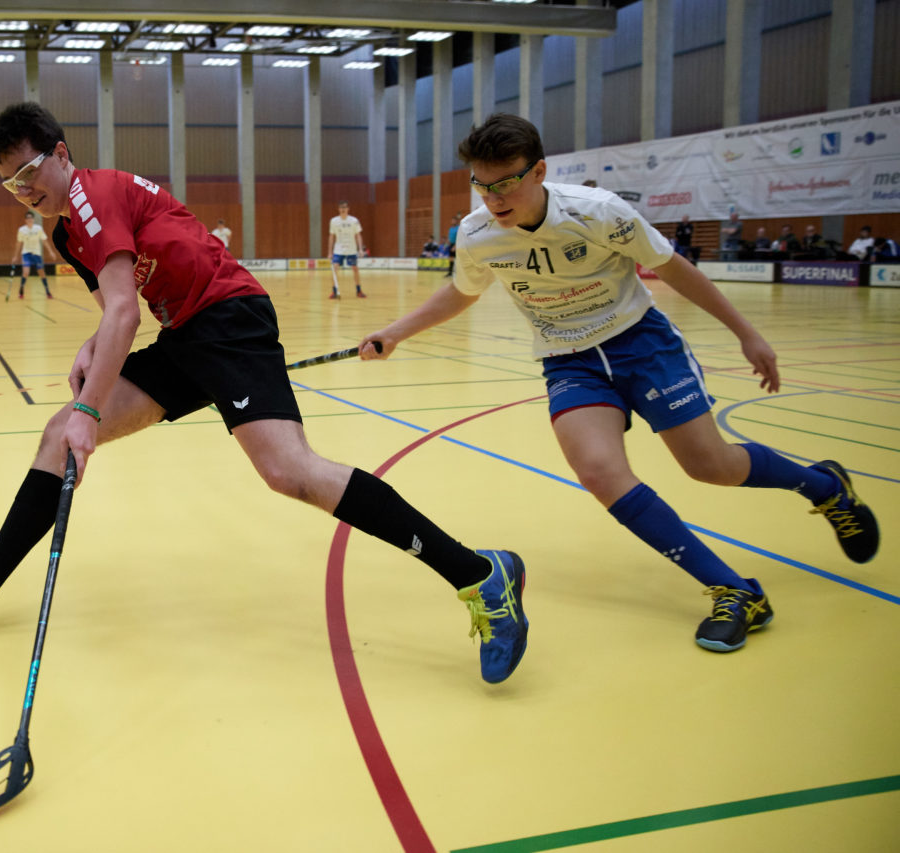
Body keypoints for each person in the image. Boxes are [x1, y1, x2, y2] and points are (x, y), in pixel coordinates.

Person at [0, 101, 529, 685]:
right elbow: (113, 311)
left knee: (289, 471)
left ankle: (480, 576)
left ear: (61, 155)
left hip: (228, 319)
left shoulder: (92, 198)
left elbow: (125, 315)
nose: (25, 190)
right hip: (186, 333)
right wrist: (92, 351)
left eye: (31, 171)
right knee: (55, 434)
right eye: (12, 183)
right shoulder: (67, 231)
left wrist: (91, 409)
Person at [358, 113, 879, 654]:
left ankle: (824, 488)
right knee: (600, 472)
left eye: (507, 181)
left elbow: (674, 269)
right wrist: (396, 333)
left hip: (643, 345)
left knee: (710, 466)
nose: (494, 197)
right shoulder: (476, 234)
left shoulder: (599, 212)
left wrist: (747, 333)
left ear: (538, 171)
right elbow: (463, 292)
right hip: (569, 360)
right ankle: (735, 592)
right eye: (482, 185)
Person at [328, 201, 366, 298]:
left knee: (355, 269)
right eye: (341, 207)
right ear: (338, 209)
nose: (343, 209)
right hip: (338, 249)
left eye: (345, 207)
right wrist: (330, 252)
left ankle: (358, 290)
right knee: (335, 268)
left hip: (351, 249)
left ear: (348, 209)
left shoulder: (354, 221)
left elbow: (358, 235)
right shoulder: (334, 221)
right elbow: (331, 236)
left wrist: (360, 249)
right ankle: (334, 291)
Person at [12, 210, 52, 299]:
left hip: (37, 253)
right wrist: (15, 256)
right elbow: (18, 243)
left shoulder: (38, 228)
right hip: (26, 253)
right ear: (25, 220)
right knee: (26, 272)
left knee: (41, 273)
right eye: (28, 218)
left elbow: (44, 240)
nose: (29, 220)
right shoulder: (22, 230)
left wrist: (50, 251)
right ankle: (21, 290)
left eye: (31, 218)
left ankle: (47, 291)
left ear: (33, 219)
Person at [444, 214, 461, 278]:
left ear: (456, 221)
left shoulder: (458, 228)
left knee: (458, 260)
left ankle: (460, 274)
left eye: (454, 220)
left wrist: (455, 246)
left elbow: (459, 237)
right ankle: (450, 273)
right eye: (452, 220)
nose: (452, 221)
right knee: (451, 259)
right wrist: (446, 245)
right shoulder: (450, 229)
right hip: (451, 245)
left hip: (457, 245)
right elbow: (449, 238)